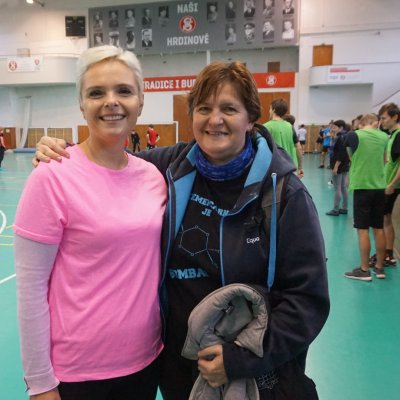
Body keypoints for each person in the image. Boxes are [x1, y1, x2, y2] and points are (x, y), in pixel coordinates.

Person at [35, 61, 330, 400]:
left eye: (229, 109)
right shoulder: (169, 167)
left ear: (251, 119)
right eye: (204, 108)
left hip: (251, 374)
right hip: (177, 371)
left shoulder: (283, 194)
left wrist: (239, 359)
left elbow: (308, 301)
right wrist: (63, 151)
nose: (214, 120)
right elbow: (110, 161)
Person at [14, 46, 167, 400]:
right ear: (82, 104)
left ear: (140, 101)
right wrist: (40, 382)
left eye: (123, 90)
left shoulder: (153, 177)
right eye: (96, 93)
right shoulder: (52, 176)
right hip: (77, 375)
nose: (111, 102)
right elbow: (31, 290)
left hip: (146, 362)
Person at [344, 113, 388, 280]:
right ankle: (379, 268)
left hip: (362, 186)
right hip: (380, 186)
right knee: (379, 228)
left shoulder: (354, 135)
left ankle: (364, 270)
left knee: (363, 230)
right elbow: (385, 160)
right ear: (375, 122)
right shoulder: (384, 137)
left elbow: (350, 156)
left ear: (362, 123)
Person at [372, 102, 400, 267]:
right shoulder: (391, 135)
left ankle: (386, 254)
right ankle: (388, 253)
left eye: (384, 118)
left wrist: (391, 184)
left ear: (395, 117)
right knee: (386, 219)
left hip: (391, 185)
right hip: (387, 182)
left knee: (384, 220)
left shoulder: (398, 135)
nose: (381, 122)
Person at [264, 98, 304, 178]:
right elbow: (299, 147)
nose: (269, 111)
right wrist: (300, 167)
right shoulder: (290, 126)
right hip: (291, 168)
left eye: (270, 109)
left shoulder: (266, 127)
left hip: (275, 170)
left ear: (273, 110)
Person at [325, 120, 350, 216]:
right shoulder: (345, 136)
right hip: (345, 165)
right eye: (332, 127)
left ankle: (335, 209)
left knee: (337, 188)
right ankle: (344, 208)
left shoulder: (340, 138)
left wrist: (335, 167)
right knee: (343, 187)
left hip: (339, 165)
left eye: (334, 127)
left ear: (341, 128)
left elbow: (341, 153)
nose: (332, 129)